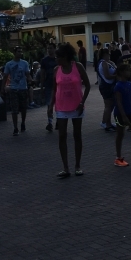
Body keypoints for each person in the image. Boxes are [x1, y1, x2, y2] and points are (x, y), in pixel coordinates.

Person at [49, 42, 90, 178]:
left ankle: (77, 165)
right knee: (62, 136)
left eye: (58, 57)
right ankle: (65, 167)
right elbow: (54, 89)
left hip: (76, 106)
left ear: (65, 56)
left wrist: (82, 102)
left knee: (77, 135)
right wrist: (50, 105)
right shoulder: (56, 70)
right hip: (61, 106)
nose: (56, 60)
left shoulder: (77, 67)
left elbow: (88, 85)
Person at [113, 61, 131, 167]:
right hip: (121, 114)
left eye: (130, 71)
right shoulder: (118, 86)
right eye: (127, 71)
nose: (130, 72)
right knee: (120, 134)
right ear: (121, 72)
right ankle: (118, 157)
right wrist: (124, 115)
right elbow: (119, 103)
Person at [3, 46, 31, 135]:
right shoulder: (9, 64)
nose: (20, 53)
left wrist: (31, 80)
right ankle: (15, 127)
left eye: (21, 51)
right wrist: (2, 88)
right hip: (13, 88)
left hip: (23, 88)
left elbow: (27, 74)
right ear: (14, 53)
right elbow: (5, 76)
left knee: (23, 108)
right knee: (14, 109)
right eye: (18, 51)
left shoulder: (25, 63)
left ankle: (23, 122)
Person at [97, 47, 118, 131]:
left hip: (107, 86)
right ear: (104, 55)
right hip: (107, 86)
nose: (109, 55)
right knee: (108, 106)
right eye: (108, 54)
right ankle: (107, 124)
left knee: (109, 105)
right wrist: (116, 76)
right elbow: (107, 76)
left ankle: (106, 122)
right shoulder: (104, 63)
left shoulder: (106, 63)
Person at [39, 43, 58, 132]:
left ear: (54, 49)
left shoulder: (58, 59)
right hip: (49, 84)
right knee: (49, 104)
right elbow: (42, 74)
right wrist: (42, 86)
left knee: (59, 104)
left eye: (51, 48)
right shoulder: (44, 61)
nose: (49, 50)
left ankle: (59, 120)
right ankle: (50, 122)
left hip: (58, 84)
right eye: (48, 48)